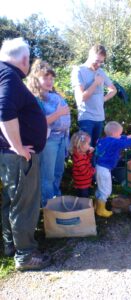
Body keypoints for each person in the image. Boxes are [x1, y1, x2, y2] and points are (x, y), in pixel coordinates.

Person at [0, 38, 51, 270]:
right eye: (28, 60)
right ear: (23, 59)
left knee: (10, 201)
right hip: (20, 157)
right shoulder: (9, 76)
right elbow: (4, 110)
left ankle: (10, 246)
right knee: (24, 204)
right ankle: (26, 256)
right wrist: (18, 146)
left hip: (8, 155)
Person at [27, 59, 71, 207]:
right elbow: (38, 124)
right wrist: (58, 113)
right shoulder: (34, 99)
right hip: (49, 141)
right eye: (45, 77)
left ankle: (55, 199)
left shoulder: (55, 95)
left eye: (51, 78)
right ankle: (48, 206)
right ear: (35, 79)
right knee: (47, 176)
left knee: (58, 172)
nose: (49, 81)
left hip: (61, 139)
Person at [95, 121, 131, 217]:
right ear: (115, 134)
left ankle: (96, 205)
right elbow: (125, 143)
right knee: (106, 190)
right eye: (119, 133)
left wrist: (127, 136)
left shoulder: (105, 140)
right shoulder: (115, 142)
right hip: (104, 170)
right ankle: (100, 210)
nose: (121, 135)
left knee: (101, 188)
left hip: (99, 168)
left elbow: (121, 138)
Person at [71, 45, 117, 147]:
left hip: (100, 118)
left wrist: (103, 99)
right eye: (96, 61)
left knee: (96, 151)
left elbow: (113, 90)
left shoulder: (100, 72)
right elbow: (81, 98)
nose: (98, 64)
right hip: (86, 118)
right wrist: (96, 83)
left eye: (101, 62)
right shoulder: (78, 71)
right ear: (90, 55)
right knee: (85, 151)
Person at [69, 131, 95, 198]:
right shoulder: (79, 158)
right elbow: (85, 171)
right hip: (83, 183)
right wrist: (93, 171)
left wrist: (89, 153)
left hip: (82, 182)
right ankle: (84, 207)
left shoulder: (81, 154)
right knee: (83, 198)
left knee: (81, 197)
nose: (89, 145)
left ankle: (81, 206)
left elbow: (86, 160)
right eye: (88, 144)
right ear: (81, 145)